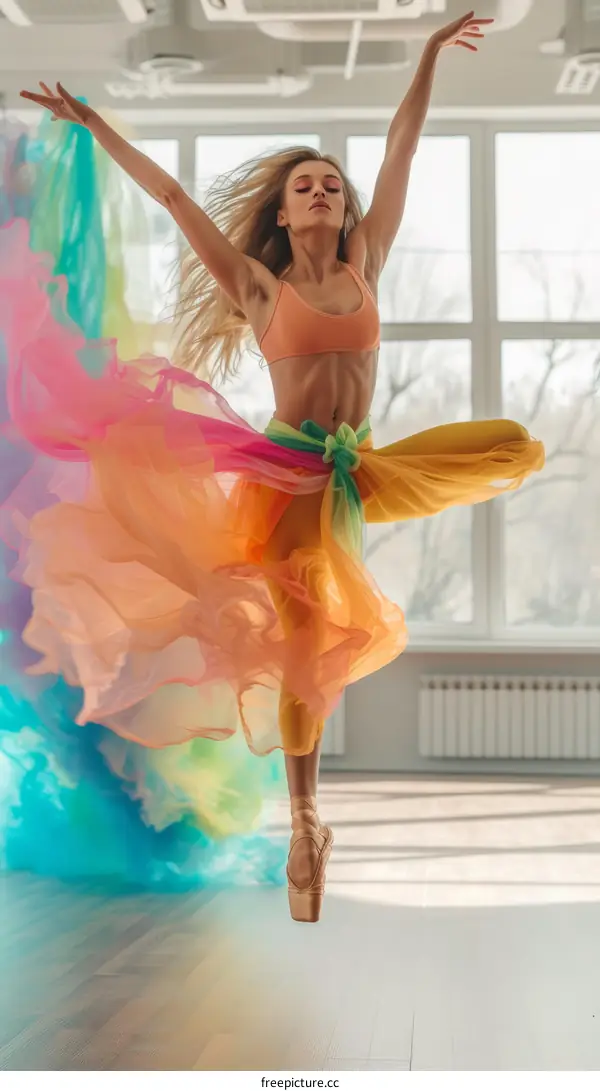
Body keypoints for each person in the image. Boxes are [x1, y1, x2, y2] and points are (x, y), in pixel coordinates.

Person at [6, 11, 544, 923]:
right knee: (307, 649)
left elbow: (403, 147)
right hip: (289, 478)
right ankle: (306, 824)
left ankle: (307, 812)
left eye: (333, 182)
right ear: (285, 212)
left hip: (357, 466)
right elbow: (177, 201)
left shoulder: (368, 257)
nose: (324, 191)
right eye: (306, 184)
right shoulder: (260, 288)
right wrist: (97, 129)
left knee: (511, 446)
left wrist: (423, 57)